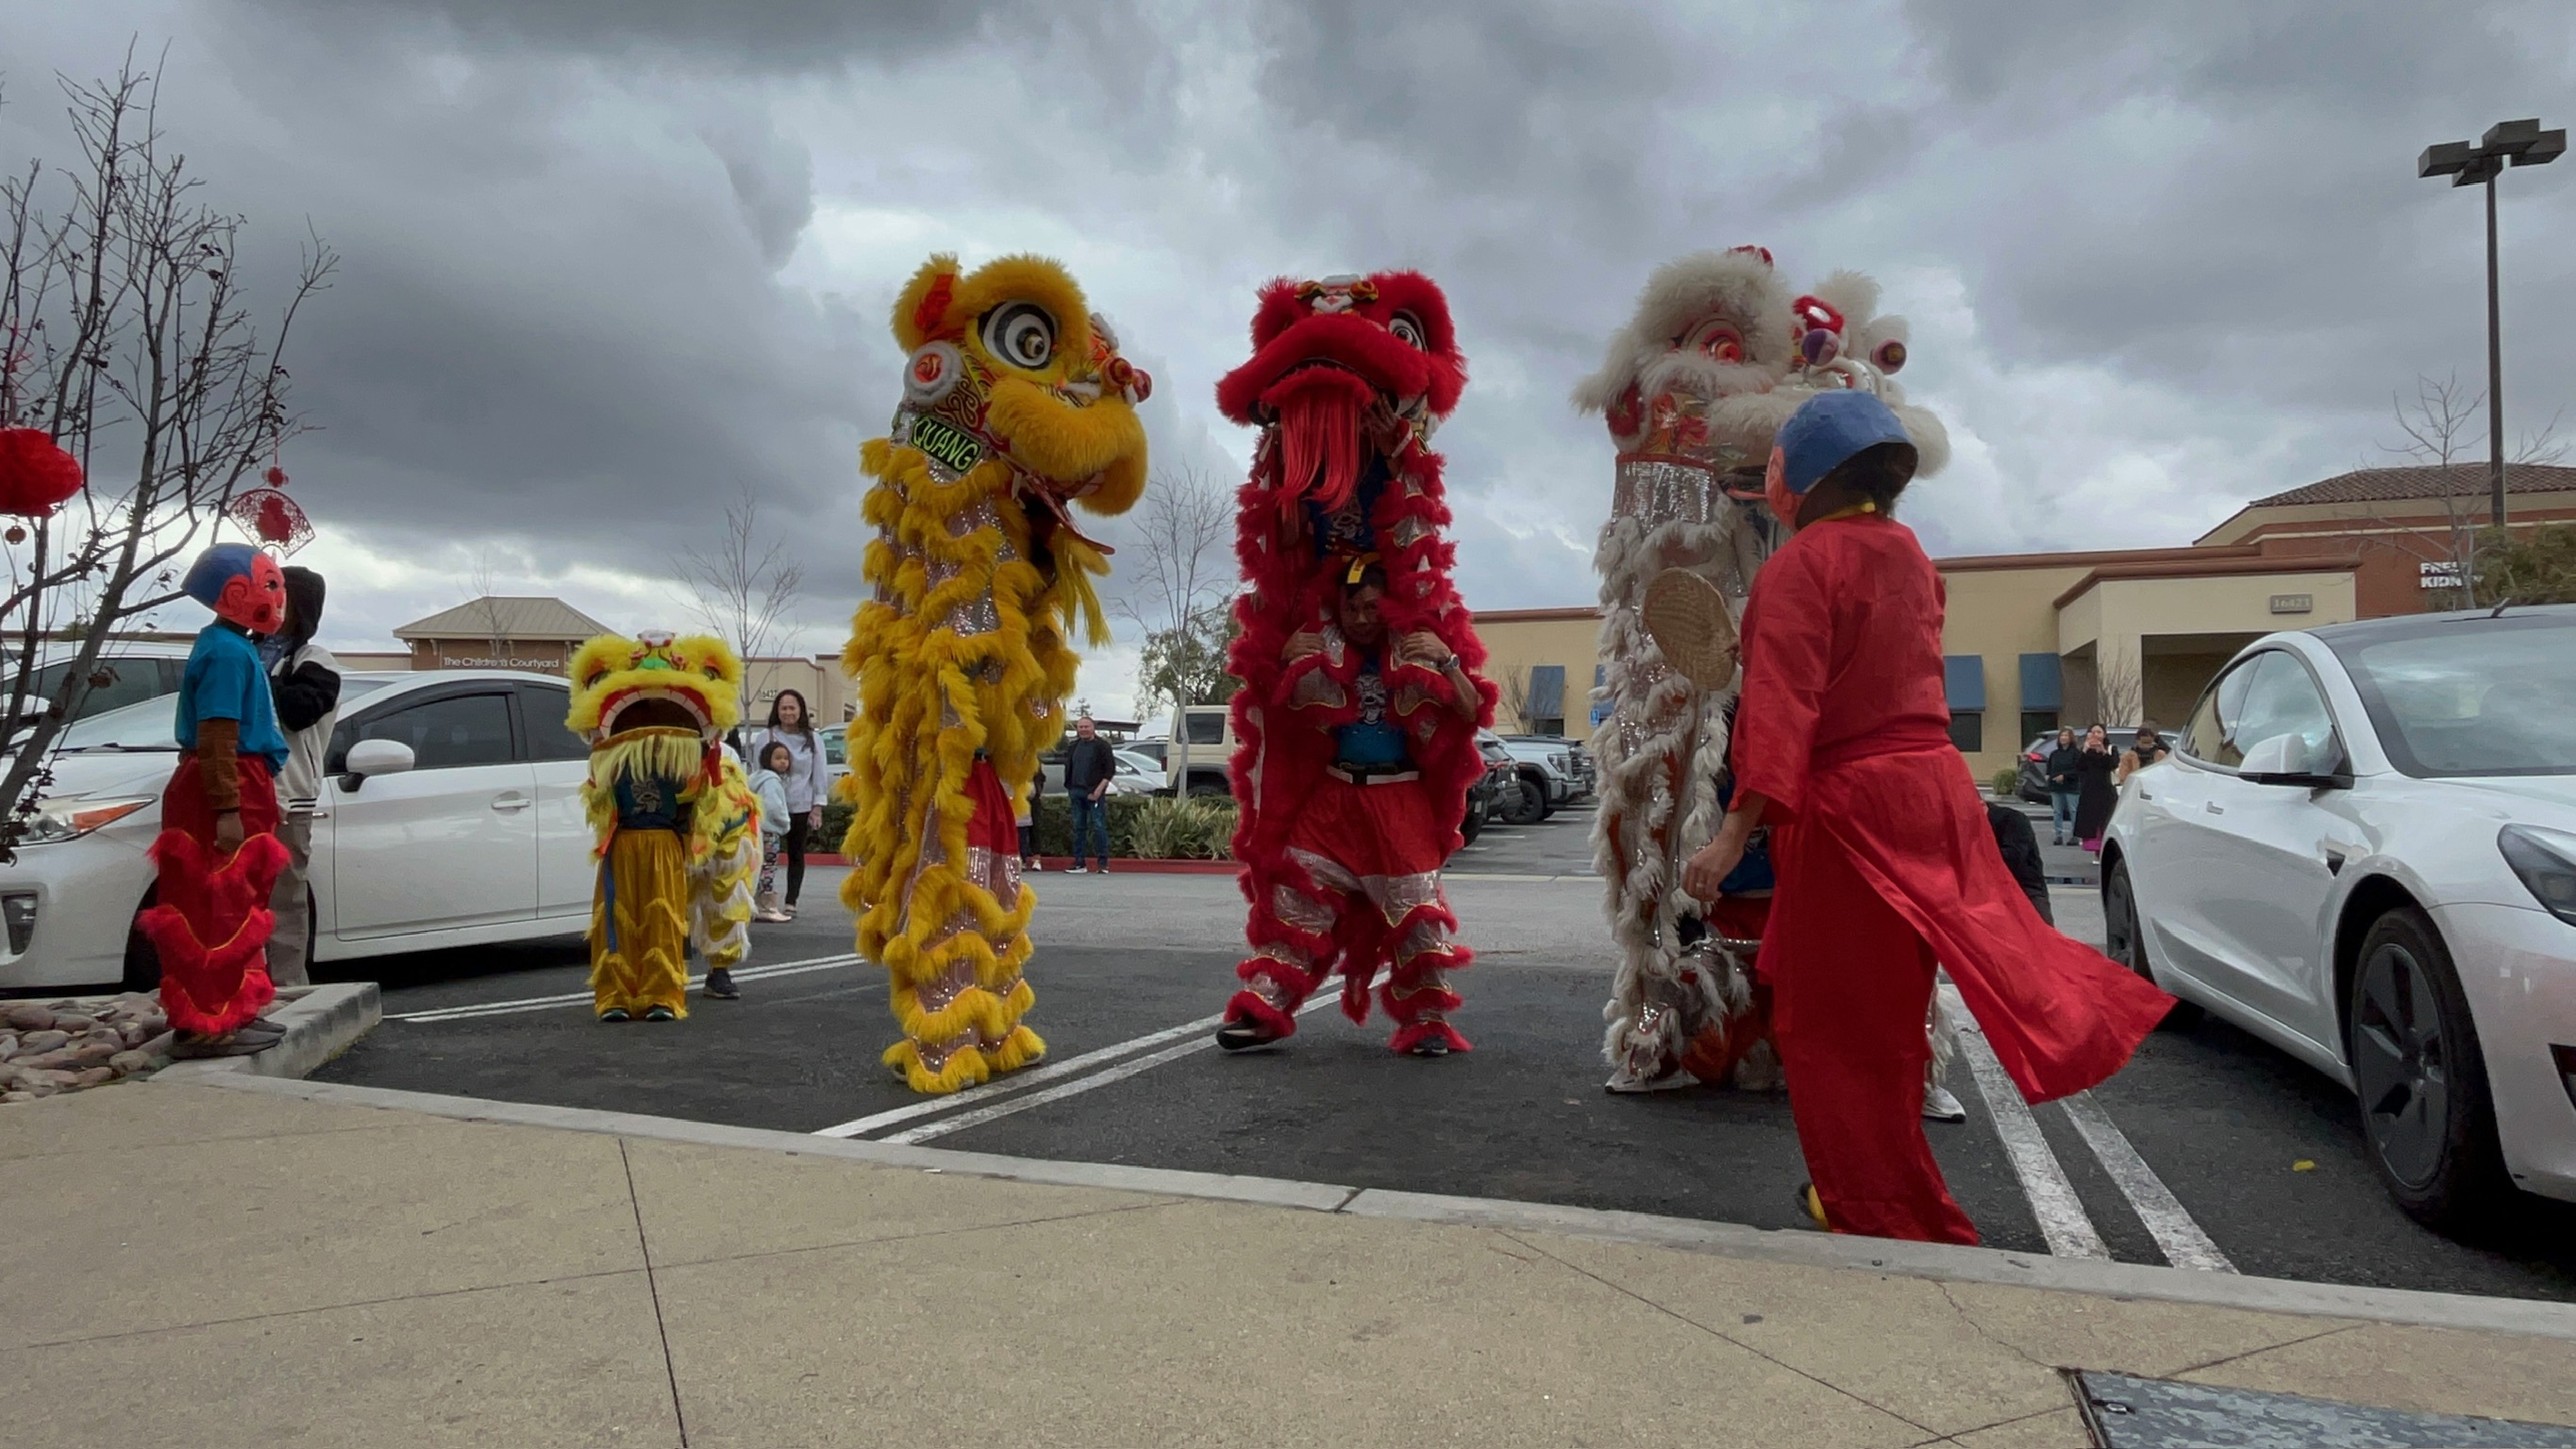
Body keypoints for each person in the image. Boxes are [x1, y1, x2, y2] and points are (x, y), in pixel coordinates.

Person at [1680, 391, 2170, 1245]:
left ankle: (1876, 1206)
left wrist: (1729, 835)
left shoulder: (1798, 567)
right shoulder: (1909, 556)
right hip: (1935, 794)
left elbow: (1784, 714)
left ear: (1800, 476)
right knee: (1904, 1006)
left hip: (1853, 810)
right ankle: (1882, 1181)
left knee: (1834, 1021)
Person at [1215, 562, 1488, 1055]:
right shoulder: (1317, 648)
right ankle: (1265, 1007)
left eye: (1371, 607)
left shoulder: (1416, 646)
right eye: (1352, 608)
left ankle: (1426, 1019)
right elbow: (1267, 712)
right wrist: (1281, 657)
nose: (1362, 618)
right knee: (1295, 895)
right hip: (1333, 798)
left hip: (1399, 801)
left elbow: (1471, 712)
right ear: (1336, 608)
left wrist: (1447, 660)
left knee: (1415, 914)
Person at [140, 544, 293, 1058]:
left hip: (242, 779)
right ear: (236, 593)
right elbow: (218, 734)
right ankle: (208, 1023)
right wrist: (226, 807)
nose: (277, 597)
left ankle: (234, 1009)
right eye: (268, 585)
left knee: (239, 901)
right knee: (215, 905)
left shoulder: (230, 645)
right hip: (227, 783)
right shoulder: (226, 652)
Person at [259, 566, 340, 990]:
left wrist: (255, 678)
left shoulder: (313, 660)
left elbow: (299, 711)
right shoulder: (248, 648)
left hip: (289, 794)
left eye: (281, 596)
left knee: (284, 897)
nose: (272, 604)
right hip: (242, 790)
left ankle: (287, 986)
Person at [755, 689, 829, 919]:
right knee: (765, 856)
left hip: (801, 806)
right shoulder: (766, 737)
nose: (788, 712)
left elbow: (820, 774)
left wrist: (817, 807)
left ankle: (791, 902)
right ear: (777, 711)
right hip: (770, 807)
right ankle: (764, 900)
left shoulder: (813, 739)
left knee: (796, 854)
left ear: (801, 710)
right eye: (783, 708)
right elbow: (757, 772)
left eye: (792, 708)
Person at [1062, 715, 1117, 874]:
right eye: (1080, 727)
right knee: (1078, 828)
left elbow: (1109, 771)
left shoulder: (1102, 746)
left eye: (1086, 727)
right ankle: (1079, 863)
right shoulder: (1073, 746)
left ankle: (1103, 864)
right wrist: (1070, 788)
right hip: (1076, 792)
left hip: (1094, 793)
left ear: (1093, 728)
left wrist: (1098, 790)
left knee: (1098, 826)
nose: (1083, 730)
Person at [752, 741, 795, 923]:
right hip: (769, 831)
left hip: (755, 830)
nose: (783, 762)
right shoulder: (771, 781)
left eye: (786, 758)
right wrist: (785, 823)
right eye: (778, 758)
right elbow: (773, 806)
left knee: (756, 867)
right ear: (767, 759)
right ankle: (767, 906)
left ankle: (754, 904)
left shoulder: (756, 778)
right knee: (768, 867)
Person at [2069, 724, 2118, 854]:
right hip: (2089, 791)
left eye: (2099, 732)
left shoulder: (2111, 749)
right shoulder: (2085, 750)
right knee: (2091, 823)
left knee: (2106, 821)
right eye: (2093, 732)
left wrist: (2103, 751)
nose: (2096, 735)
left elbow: (2112, 765)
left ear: (2104, 734)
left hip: (2106, 790)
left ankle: (2106, 850)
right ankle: (2096, 850)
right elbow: (2079, 767)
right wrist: (2085, 750)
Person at [2044, 726, 2082, 846]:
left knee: (2073, 811)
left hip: (2071, 787)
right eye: (2062, 735)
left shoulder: (2076, 753)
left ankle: (2075, 835)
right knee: (2057, 811)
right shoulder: (2054, 754)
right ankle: (2058, 835)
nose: (2063, 738)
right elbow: (2049, 768)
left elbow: (2078, 770)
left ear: (2071, 738)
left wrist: (2065, 776)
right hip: (2056, 786)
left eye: (2066, 735)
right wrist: (2049, 777)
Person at [2116, 723, 2169, 787]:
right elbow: (2123, 776)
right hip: (2135, 787)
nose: (2146, 746)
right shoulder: (2129, 756)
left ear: (2153, 740)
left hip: (2156, 786)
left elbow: (2166, 774)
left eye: (2148, 742)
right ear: (2137, 741)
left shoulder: (2160, 755)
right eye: (2143, 742)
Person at [1022, 762, 1045, 872]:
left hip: (1033, 799)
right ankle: (1022, 859)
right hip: (1019, 797)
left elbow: (1041, 777)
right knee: (1020, 829)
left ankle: (1036, 858)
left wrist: (1038, 790)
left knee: (1035, 828)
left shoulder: (1034, 761)